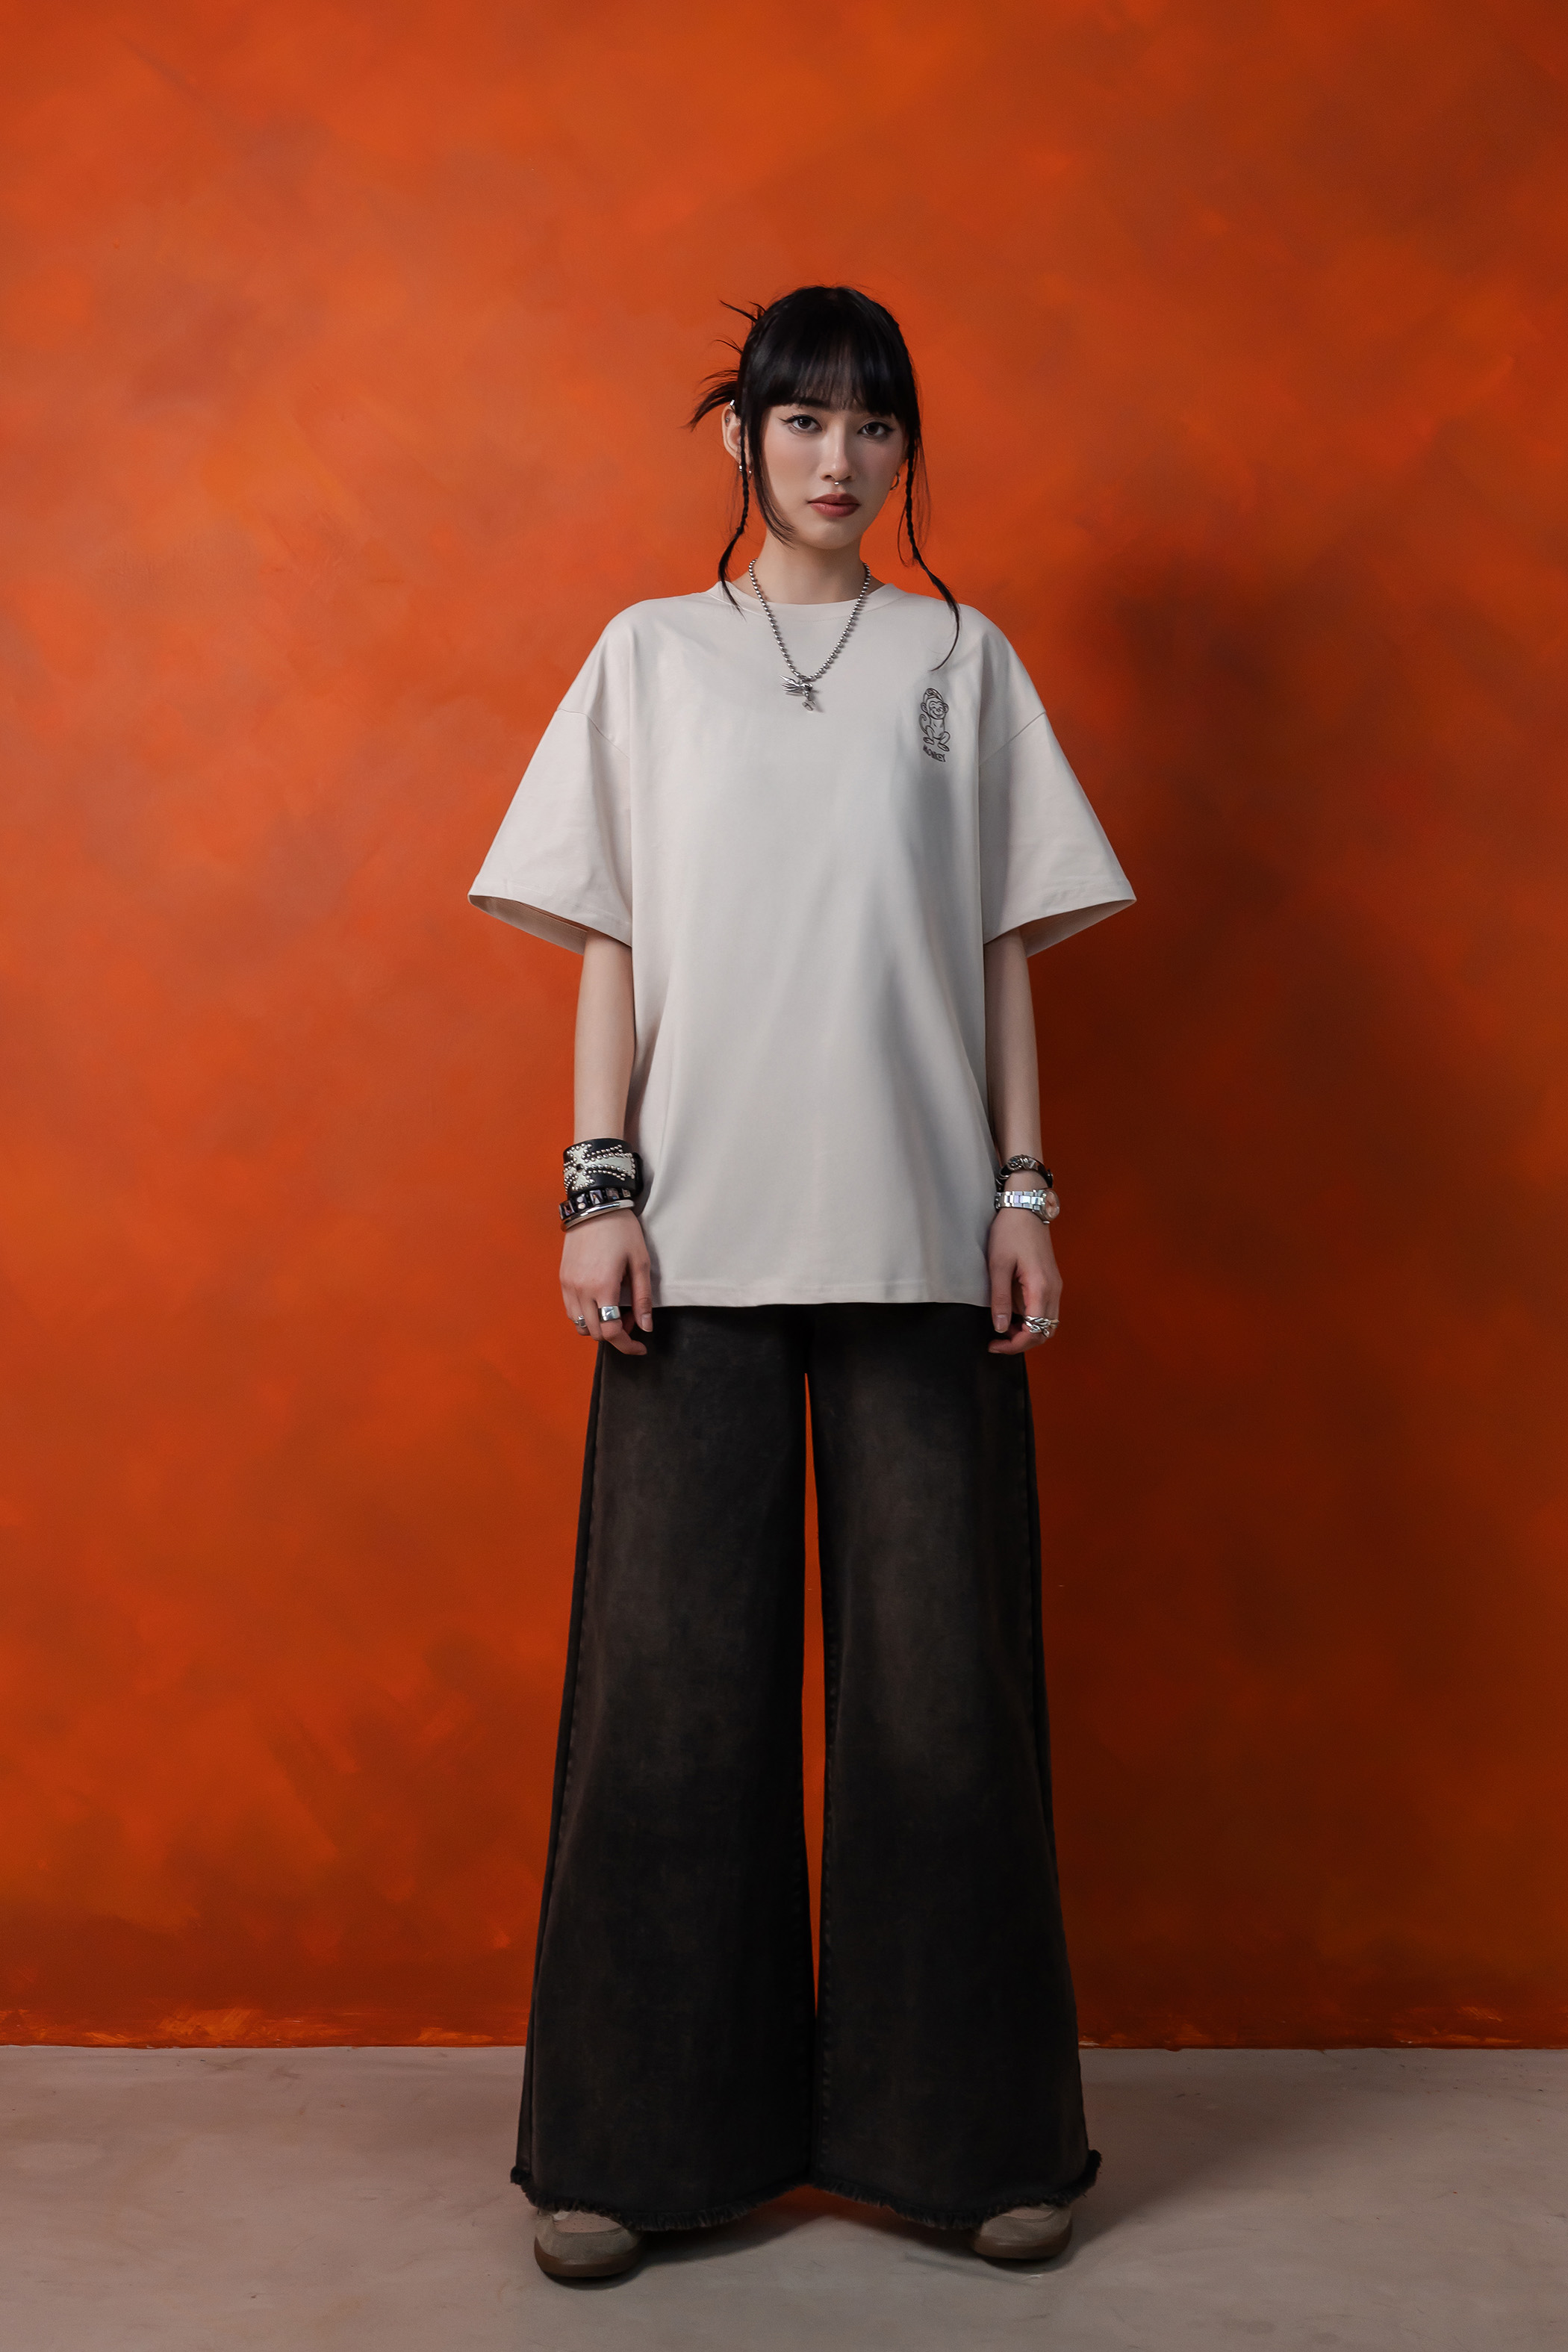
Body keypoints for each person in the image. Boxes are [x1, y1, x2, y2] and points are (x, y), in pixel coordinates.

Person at [470, 284, 1133, 2284]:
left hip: (926, 1241)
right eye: (802, 419)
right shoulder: (649, 656)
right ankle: (632, 2151)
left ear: (906, 447)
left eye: (875, 423)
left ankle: (968, 2144)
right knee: (669, 1703)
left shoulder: (961, 658)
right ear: (739, 437)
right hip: (693, 1245)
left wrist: (1024, 1188)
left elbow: (1002, 939)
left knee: (944, 1707)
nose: (840, 458)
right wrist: (597, 1184)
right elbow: (611, 933)